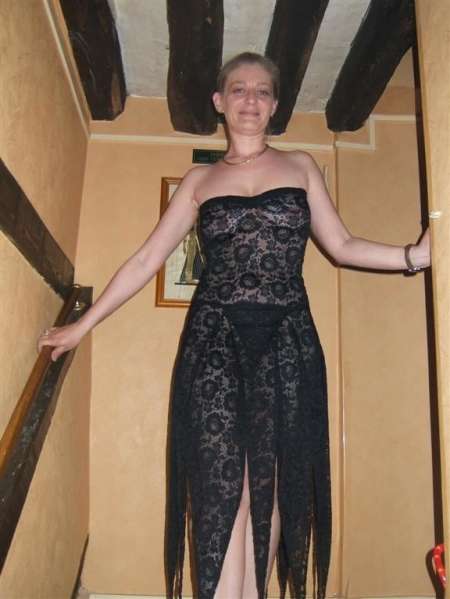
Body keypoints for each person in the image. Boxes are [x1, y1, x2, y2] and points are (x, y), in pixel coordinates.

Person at [38, 52, 431, 599]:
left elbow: (342, 246)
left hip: (288, 340)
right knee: (224, 487)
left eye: (263, 90)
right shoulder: (199, 180)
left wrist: (415, 255)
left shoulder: (301, 166)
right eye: (239, 89)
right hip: (214, 340)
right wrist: (82, 327)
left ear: (275, 105)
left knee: (272, 485)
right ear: (220, 102)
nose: (251, 99)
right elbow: (146, 260)